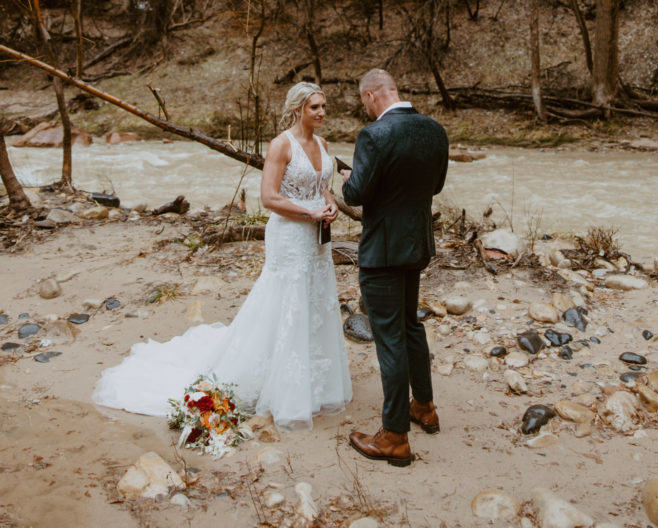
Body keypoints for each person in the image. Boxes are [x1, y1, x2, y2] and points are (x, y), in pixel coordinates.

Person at [93, 82, 352, 430]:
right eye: (314, 107)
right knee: (285, 302)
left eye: (324, 106)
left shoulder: (321, 144)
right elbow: (269, 198)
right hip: (290, 235)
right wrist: (310, 214)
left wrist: (331, 204)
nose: (321, 113)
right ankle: (277, 385)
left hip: (317, 239)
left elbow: (323, 188)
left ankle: (313, 382)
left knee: (315, 301)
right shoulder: (281, 145)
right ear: (297, 110)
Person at [341, 68, 449, 467]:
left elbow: (356, 194)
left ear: (370, 95)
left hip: (382, 252)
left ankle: (394, 437)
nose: (364, 108)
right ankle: (424, 406)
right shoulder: (434, 130)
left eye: (362, 101)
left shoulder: (374, 135)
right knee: (409, 325)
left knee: (389, 338)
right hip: (416, 244)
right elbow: (434, 186)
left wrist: (351, 179)